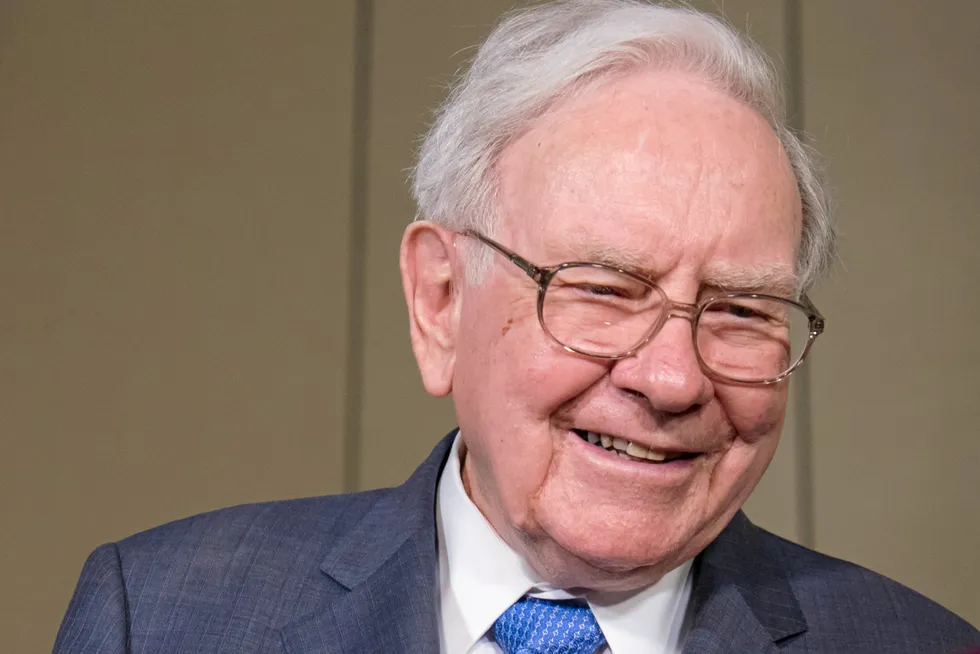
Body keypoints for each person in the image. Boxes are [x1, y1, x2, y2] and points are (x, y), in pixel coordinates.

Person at [56, 1, 978, 652]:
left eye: (739, 309)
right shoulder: (166, 619)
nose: (672, 379)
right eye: (603, 289)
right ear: (441, 301)